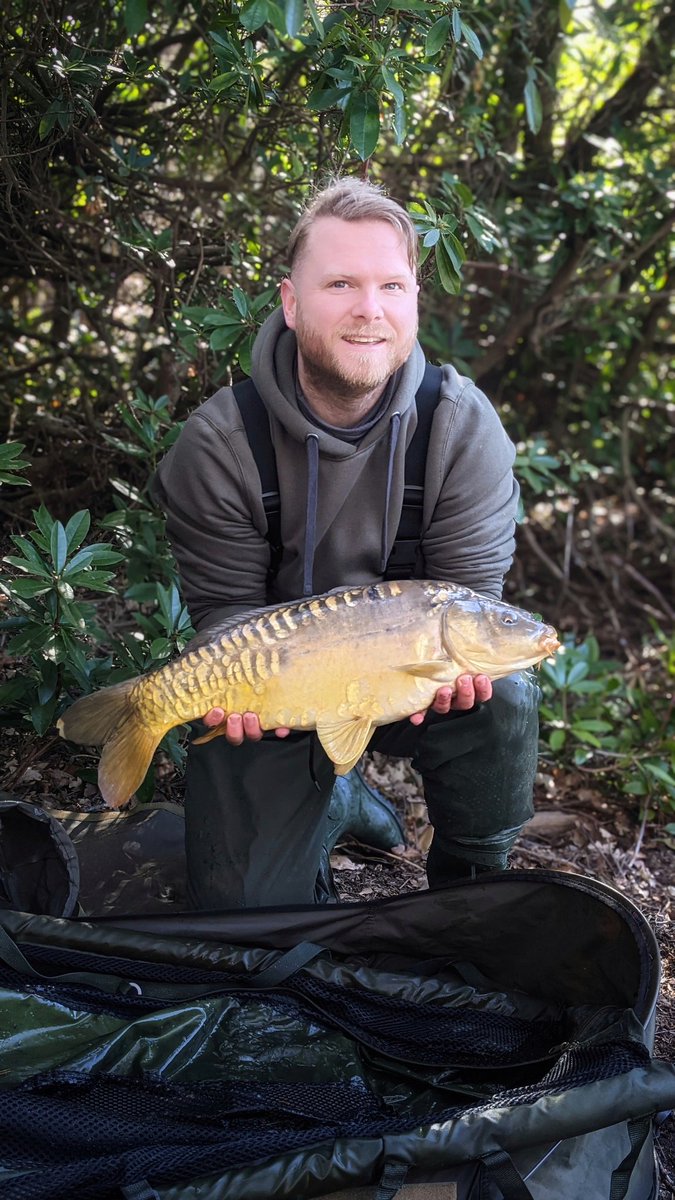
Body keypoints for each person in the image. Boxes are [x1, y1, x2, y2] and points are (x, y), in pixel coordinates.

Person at [153, 177, 540, 910]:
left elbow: (468, 600)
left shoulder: (461, 429)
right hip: (278, 689)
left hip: (409, 678)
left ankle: (470, 889)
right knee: (247, 922)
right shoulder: (217, 444)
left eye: (391, 285)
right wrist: (226, 690)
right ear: (292, 304)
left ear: (414, 302)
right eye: (340, 283)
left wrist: (455, 672)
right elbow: (227, 613)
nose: (370, 310)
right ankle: (337, 798)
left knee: (504, 692)